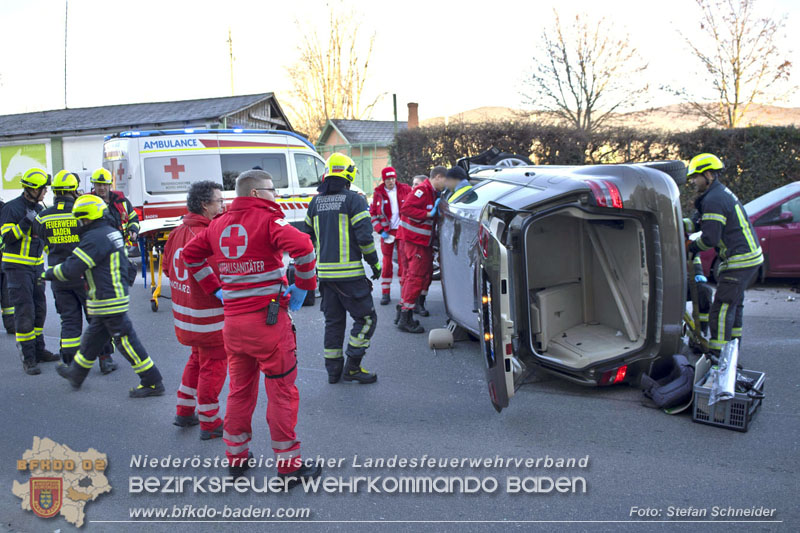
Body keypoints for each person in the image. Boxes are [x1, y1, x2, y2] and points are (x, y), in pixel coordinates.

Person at [182, 170, 321, 485]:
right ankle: (289, 467)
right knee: (282, 392)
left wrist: (215, 288)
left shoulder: (218, 225)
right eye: (273, 189)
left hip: (233, 325)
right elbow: (304, 247)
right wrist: (303, 287)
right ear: (257, 193)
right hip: (268, 325)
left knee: (240, 392)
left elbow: (191, 256)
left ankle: (237, 459)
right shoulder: (270, 222)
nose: (277, 195)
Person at [46, 195, 165, 396]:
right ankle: (77, 373)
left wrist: (46, 274)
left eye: (80, 219)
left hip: (108, 299)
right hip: (108, 297)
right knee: (92, 339)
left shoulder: (94, 238)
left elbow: (72, 268)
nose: (79, 223)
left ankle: (152, 381)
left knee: (126, 341)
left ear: (87, 217)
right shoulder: (109, 232)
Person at [303, 153, 381, 385]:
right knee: (367, 319)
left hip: (325, 277)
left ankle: (333, 372)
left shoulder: (315, 202)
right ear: (349, 173)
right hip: (350, 276)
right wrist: (374, 264)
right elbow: (365, 238)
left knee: (334, 322)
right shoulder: (354, 200)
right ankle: (353, 367)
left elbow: (306, 238)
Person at [163, 180, 228, 440]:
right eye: (219, 201)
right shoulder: (208, 236)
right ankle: (210, 422)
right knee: (214, 367)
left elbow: (168, 270)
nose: (223, 205)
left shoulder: (177, 231)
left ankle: (184, 410)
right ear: (205, 204)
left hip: (186, 318)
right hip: (209, 320)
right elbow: (222, 275)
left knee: (195, 361)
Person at [686, 153, 763, 353]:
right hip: (750, 257)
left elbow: (710, 238)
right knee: (734, 305)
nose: (694, 181)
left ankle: (718, 356)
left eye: (696, 176)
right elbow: (701, 219)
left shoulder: (714, 199)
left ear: (709, 174)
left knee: (720, 309)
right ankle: (733, 349)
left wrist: (691, 247)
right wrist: (688, 223)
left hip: (739, 259)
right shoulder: (718, 194)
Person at [0, 168, 58, 374]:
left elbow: (43, 239)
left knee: (40, 309)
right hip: (16, 268)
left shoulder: (41, 209)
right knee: (25, 312)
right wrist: (26, 222)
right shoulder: (11, 208)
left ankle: (39, 349)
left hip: (35, 267)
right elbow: (7, 237)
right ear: (32, 190)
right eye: (43, 189)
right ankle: (28, 357)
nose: (45, 193)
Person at [32, 171, 89, 365]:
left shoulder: (43, 216)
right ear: (74, 191)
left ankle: (69, 359)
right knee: (96, 318)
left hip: (58, 275)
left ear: (55, 192)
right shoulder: (82, 212)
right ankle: (105, 359)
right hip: (83, 275)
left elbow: (40, 238)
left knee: (69, 318)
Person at [395, 166, 447, 332]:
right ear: (438, 177)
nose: (445, 185)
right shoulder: (422, 190)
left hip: (421, 242)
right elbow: (406, 209)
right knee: (415, 277)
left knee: (416, 277)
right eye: (444, 181)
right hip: (415, 242)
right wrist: (428, 214)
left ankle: (404, 312)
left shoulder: (430, 192)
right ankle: (405, 316)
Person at [370, 166, 411, 305]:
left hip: (402, 230)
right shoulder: (378, 193)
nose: (391, 181)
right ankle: (385, 293)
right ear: (384, 180)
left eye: (393, 178)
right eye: (388, 179)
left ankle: (404, 294)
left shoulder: (405, 189)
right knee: (387, 263)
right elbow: (373, 214)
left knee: (403, 262)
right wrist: (380, 230)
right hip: (386, 232)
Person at [90, 168, 140, 245]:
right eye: (99, 184)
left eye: (105, 184)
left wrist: (133, 229)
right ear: (94, 185)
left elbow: (133, 218)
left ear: (110, 184)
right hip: (98, 247)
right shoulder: (89, 203)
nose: (102, 188)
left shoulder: (121, 201)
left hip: (121, 246)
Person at [683, 217, 712, 337]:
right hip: (666, 285)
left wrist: (699, 274)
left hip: (682, 284)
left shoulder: (688, 245)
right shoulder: (663, 243)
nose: (688, 238)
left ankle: (701, 331)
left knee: (704, 292)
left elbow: (695, 262)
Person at [0, 198, 14, 335]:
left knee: (7, 295)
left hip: (4, 258)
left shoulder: (5, 209)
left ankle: (11, 325)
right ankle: (10, 325)